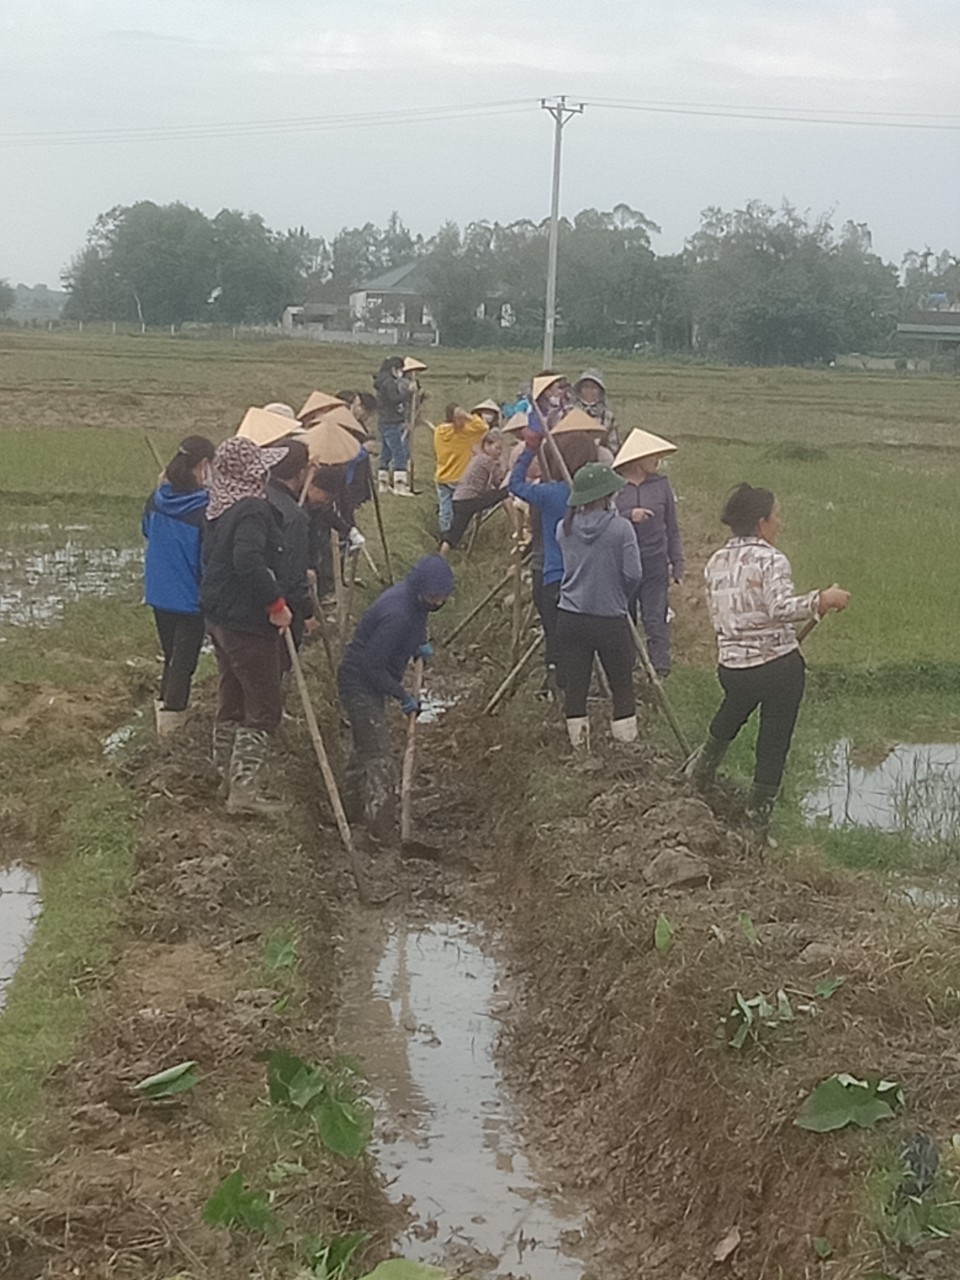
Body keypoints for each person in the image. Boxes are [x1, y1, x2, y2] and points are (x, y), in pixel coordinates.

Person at [690, 483, 850, 836]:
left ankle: (699, 774)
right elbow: (779, 608)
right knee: (772, 743)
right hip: (777, 668)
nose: (780, 523)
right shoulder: (772, 558)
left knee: (731, 713)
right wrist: (821, 600)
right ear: (761, 523)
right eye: (776, 516)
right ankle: (756, 822)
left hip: (731, 668)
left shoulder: (716, 560)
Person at [201, 436, 292, 817]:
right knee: (263, 707)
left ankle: (224, 775)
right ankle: (243, 793)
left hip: (218, 615)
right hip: (246, 622)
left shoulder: (219, 505)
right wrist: (276, 604)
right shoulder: (253, 509)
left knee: (233, 698)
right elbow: (248, 559)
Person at [337, 556, 455, 838]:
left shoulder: (414, 602)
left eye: (442, 597)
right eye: (434, 597)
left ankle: (350, 807)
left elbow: (414, 626)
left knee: (364, 746)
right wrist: (402, 695)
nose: (438, 602)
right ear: (421, 590)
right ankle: (379, 825)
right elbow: (371, 665)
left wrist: (416, 645)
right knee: (377, 755)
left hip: (369, 679)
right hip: (359, 682)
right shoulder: (397, 615)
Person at [555, 464, 643, 752]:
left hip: (570, 615)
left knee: (576, 686)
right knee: (622, 685)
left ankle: (580, 749)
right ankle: (626, 749)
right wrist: (619, 594)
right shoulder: (621, 529)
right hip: (609, 618)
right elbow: (634, 574)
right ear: (607, 495)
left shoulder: (563, 527)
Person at [508, 425, 596, 688]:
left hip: (550, 575)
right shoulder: (596, 497)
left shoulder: (550, 493)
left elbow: (515, 485)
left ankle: (555, 681)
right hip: (583, 577)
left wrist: (529, 451)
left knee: (554, 634)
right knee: (578, 638)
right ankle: (575, 686)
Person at [141, 435, 215, 736]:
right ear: (203, 465)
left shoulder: (156, 498)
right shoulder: (204, 508)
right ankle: (171, 730)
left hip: (159, 591)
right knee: (184, 665)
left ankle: (163, 711)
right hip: (189, 597)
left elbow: (146, 531)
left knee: (172, 658)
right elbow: (207, 557)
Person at [613, 428, 684, 677]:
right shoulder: (616, 486)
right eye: (652, 456)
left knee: (656, 618)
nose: (657, 461)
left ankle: (659, 670)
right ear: (637, 460)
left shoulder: (662, 485)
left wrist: (677, 563)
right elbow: (605, 520)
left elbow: (672, 527)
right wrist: (628, 516)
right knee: (625, 618)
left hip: (655, 562)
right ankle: (626, 668)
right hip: (623, 563)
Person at [266, 439, 314, 652]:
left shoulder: (255, 495)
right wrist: (306, 611)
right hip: (280, 604)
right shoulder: (293, 516)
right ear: (300, 472)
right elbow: (293, 571)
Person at [441, 429, 508, 552]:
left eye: (500, 450)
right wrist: (503, 465)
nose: (499, 452)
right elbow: (498, 481)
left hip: (461, 499)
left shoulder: (478, 458)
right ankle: (441, 556)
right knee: (503, 493)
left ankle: (444, 553)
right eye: (497, 448)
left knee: (456, 531)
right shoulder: (486, 460)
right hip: (468, 500)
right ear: (486, 445)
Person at [432, 403, 489, 538]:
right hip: (460, 478)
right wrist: (468, 416)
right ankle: (457, 537)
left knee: (445, 509)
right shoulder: (466, 432)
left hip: (442, 476)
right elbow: (484, 427)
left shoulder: (439, 431)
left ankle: (445, 535)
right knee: (461, 511)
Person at [372, 357, 415, 496]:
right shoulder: (389, 382)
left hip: (384, 420)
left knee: (386, 452)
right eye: (400, 369)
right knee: (399, 452)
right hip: (392, 420)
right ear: (394, 369)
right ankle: (400, 485)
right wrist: (408, 392)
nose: (401, 372)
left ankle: (383, 483)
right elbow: (394, 399)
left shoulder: (380, 381)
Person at [573, 369, 619, 451]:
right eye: (586, 387)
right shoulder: (571, 412)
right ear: (580, 390)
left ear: (600, 391)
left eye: (594, 388)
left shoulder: (607, 416)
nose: (589, 391)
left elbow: (614, 445)